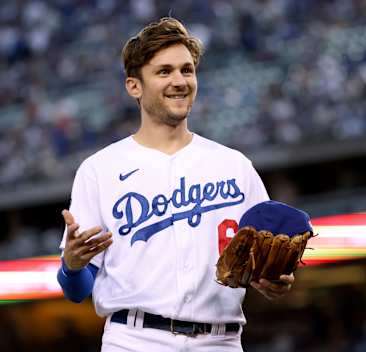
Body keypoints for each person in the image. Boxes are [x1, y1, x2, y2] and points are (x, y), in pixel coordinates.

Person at [57, 17, 300, 352]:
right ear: (134, 86)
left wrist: (274, 281)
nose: (179, 81)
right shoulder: (100, 170)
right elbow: (76, 291)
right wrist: (72, 266)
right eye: (164, 71)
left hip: (221, 341)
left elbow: (265, 263)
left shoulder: (234, 166)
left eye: (187, 70)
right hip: (135, 339)